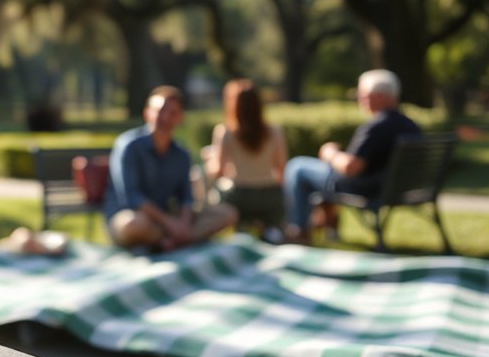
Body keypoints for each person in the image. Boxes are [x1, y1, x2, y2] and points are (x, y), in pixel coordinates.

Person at [282, 69, 421, 242]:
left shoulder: (376, 127)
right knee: (320, 170)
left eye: (362, 95)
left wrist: (330, 153)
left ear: (376, 96)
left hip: (368, 190)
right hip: (396, 188)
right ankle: (327, 223)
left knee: (297, 167)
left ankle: (299, 230)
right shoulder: (411, 126)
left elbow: (351, 167)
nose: (360, 99)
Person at [104, 86, 238, 252]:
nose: (165, 117)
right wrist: (170, 223)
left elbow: (186, 198)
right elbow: (133, 197)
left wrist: (184, 223)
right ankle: (177, 240)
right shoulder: (128, 146)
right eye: (160, 111)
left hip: (168, 219)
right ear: (147, 113)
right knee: (134, 224)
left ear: (180, 118)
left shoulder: (181, 154)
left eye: (173, 112)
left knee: (226, 213)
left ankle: (171, 241)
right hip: (132, 217)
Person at [205, 79, 288, 233]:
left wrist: (210, 159)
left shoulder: (225, 132)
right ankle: (271, 230)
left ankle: (241, 229)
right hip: (270, 196)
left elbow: (218, 171)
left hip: (238, 197)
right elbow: (281, 169)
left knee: (214, 191)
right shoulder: (275, 131)